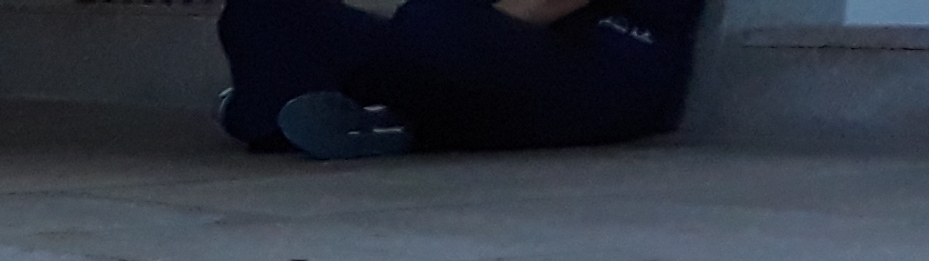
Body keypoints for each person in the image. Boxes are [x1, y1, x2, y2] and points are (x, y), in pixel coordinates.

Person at [218, 0, 698, 158]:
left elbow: (537, 6)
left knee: (438, 25)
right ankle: (290, 116)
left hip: (608, 70)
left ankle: (375, 119)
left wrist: (392, 48)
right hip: (482, 54)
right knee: (267, 9)